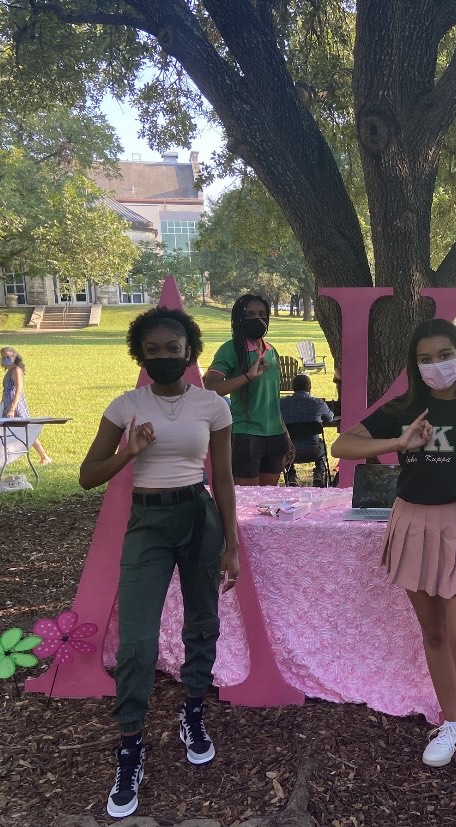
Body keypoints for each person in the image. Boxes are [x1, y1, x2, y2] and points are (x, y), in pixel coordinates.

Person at [331, 318, 456, 827]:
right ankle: (452, 723)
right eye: (425, 357)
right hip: (413, 524)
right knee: (434, 635)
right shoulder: (404, 408)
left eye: (444, 353)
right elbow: (342, 446)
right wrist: (398, 440)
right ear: (414, 365)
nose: (436, 364)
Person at [79, 307, 239, 819]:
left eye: (174, 348)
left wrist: (231, 543)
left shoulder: (213, 405)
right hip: (147, 523)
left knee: (202, 622)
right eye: (154, 350)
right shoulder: (125, 405)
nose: (165, 356)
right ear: (140, 355)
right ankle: (131, 747)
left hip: (199, 516)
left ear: (189, 351)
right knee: (138, 640)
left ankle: (193, 713)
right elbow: (87, 475)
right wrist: (130, 451)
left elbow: (226, 479)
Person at [204, 293, 294, 485]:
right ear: (239, 318)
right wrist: (247, 377)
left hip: (275, 435)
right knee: (249, 501)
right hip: (246, 435)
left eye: (262, 314)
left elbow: (272, 401)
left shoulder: (272, 352)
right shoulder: (230, 350)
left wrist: (286, 435)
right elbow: (210, 387)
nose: (257, 319)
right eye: (250, 314)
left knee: (268, 501)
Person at [279, 373, 334, 486]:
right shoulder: (318, 403)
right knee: (321, 443)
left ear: (292, 388)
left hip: (290, 452)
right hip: (313, 450)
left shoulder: (282, 403)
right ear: (309, 388)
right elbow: (330, 418)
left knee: (283, 442)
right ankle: (319, 473)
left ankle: (291, 475)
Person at [1, 346, 51, 464]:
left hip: (16, 406)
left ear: (14, 356)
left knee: (25, 430)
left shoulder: (17, 370)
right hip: (7, 405)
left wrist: (12, 409)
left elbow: (18, 391)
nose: (5, 359)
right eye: (3, 357)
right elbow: (6, 391)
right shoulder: (9, 371)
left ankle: (44, 456)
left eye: (8, 357)